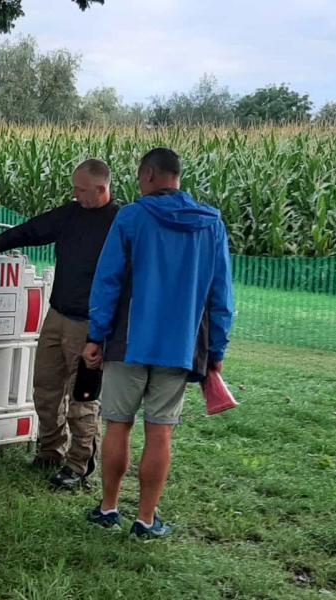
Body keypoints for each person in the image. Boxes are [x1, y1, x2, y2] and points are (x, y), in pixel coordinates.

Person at [82, 147, 234, 540]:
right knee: (161, 432)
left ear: (149, 174)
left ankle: (108, 508)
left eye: (138, 176)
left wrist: (96, 335)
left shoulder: (131, 217)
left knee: (118, 426)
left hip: (127, 342)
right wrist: (216, 351)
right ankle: (146, 520)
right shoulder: (212, 224)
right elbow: (221, 296)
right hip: (180, 346)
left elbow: (108, 280)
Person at [0, 159, 119, 490]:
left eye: (81, 190)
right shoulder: (70, 214)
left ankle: (78, 465)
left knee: (82, 398)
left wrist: (105, 331)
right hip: (57, 315)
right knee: (45, 389)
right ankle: (50, 450)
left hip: (91, 324)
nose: (75, 195)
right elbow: (33, 229)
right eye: (74, 189)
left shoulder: (120, 223)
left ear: (101, 188)